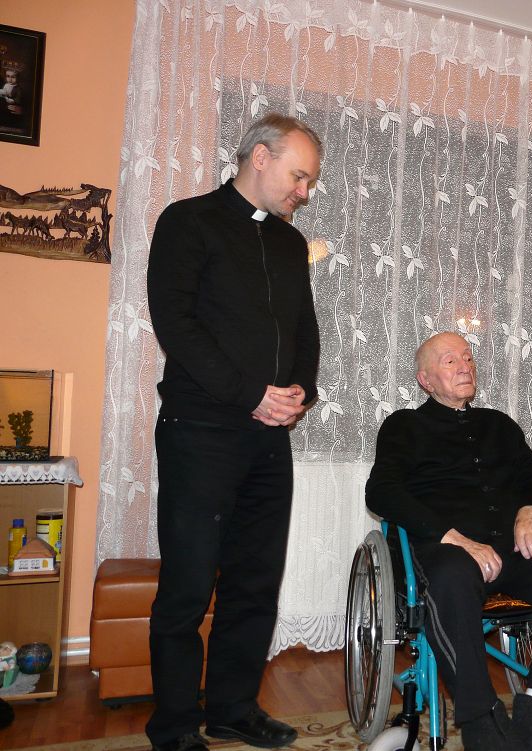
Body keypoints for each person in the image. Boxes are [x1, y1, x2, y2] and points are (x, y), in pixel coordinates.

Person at [145, 113, 322, 751]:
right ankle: (172, 726)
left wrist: (298, 392)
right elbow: (175, 323)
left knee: (254, 582)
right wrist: (252, 395)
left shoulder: (290, 244)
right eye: (299, 176)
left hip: (268, 437)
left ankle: (232, 710)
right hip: (200, 429)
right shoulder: (187, 221)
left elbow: (304, 331)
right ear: (259, 157)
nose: (304, 191)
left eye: (310, 181)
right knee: (189, 585)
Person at [367, 332, 532, 751]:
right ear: (426, 380)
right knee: (451, 575)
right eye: (450, 361)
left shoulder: (498, 425)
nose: (465, 366)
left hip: (514, 551)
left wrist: (530, 510)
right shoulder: (404, 426)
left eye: (468, 357)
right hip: (446, 552)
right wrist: (454, 538)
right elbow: (382, 492)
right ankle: (481, 719)